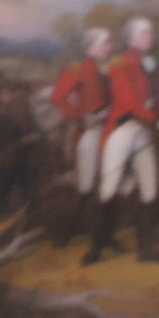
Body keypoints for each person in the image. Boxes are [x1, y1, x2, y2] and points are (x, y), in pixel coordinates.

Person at [89, 17, 159, 266]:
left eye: (150, 33)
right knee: (108, 188)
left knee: (150, 189)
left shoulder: (149, 64)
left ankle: (146, 250)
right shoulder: (118, 63)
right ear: (131, 38)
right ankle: (96, 247)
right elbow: (128, 102)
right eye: (144, 33)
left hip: (143, 131)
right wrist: (156, 120)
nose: (149, 37)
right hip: (123, 128)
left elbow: (154, 97)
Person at [48, 27, 115, 247]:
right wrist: (79, 117)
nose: (109, 47)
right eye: (105, 43)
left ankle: (108, 234)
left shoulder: (108, 70)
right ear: (91, 47)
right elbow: (58, 98)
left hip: (111, 125)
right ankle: (68, 231)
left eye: (109, 43)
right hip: (88, 129)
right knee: (87, 185)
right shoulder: (77, 69)